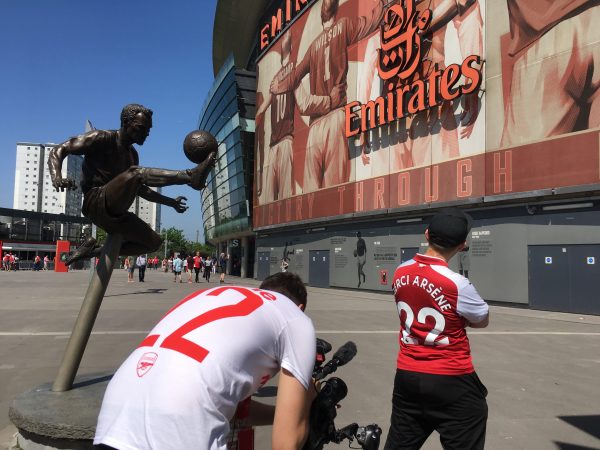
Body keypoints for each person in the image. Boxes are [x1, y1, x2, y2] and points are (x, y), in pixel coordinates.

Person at [94, 272, 316, 450]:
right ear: (301, 308)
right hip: (183, 421)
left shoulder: (222, 294)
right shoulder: (296, 319)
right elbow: (285, 444)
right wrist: (307, 404)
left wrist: (281, 414)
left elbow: (228, 406)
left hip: (117, 411)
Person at [47, 104, 216, 265]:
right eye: (142, 127)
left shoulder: (132, 156)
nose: (147, 133)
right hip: (96, 203)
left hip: (115, 213)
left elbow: (141, 190)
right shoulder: (102, 137)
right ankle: (189, 176)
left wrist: (170, 202)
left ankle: (92, 251)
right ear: (126, 123)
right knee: (136, 173)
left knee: (153, 243)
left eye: (149, 129)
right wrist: (57, 177)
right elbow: (60, 149)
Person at [384, 208, 489, 450]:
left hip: (407, 376)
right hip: (452, 380)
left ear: (427, 234)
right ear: (462, 245)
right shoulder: (457, 284)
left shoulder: (401, 271)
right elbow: (481, 319)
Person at [270, 0, 384, 192]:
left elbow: (293, 77)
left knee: (311, 196)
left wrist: (276, 86)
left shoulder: (313, 47)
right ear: (336, 10)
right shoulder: (344, 25)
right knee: (335, 191)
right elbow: (372, 21)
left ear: (321, 15)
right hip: (336, 117)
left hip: (315, 128)